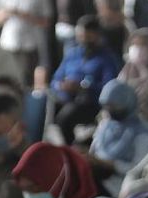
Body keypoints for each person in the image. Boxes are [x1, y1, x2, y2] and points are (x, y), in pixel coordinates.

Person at [50, 16, 122, 145]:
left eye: (88, 36)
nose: (84, 39)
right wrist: (61, 85)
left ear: (97, 35)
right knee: (46, 109)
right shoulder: (73, 54)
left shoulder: (107, 58)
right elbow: (55, 79)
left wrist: (84, 87)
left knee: (65, 118)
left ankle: (72, 151)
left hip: (91, 102)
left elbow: (109, 87)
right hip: (66, 97)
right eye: (81, 36)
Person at [86, 79, 148, 197]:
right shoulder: (106, 124)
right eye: (106, 107)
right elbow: (94, 150)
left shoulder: (142, 133)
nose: (109, 111)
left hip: (117, 185)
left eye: (114, 107)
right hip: (96, 174)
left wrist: (113, 165)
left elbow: (139, 169)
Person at [0, 0, 53, 83]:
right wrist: (4, 15)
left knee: (25, 79)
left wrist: (22, 14)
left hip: (30, 45)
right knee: (7, 79)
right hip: (8, 43)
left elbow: (46, 21)